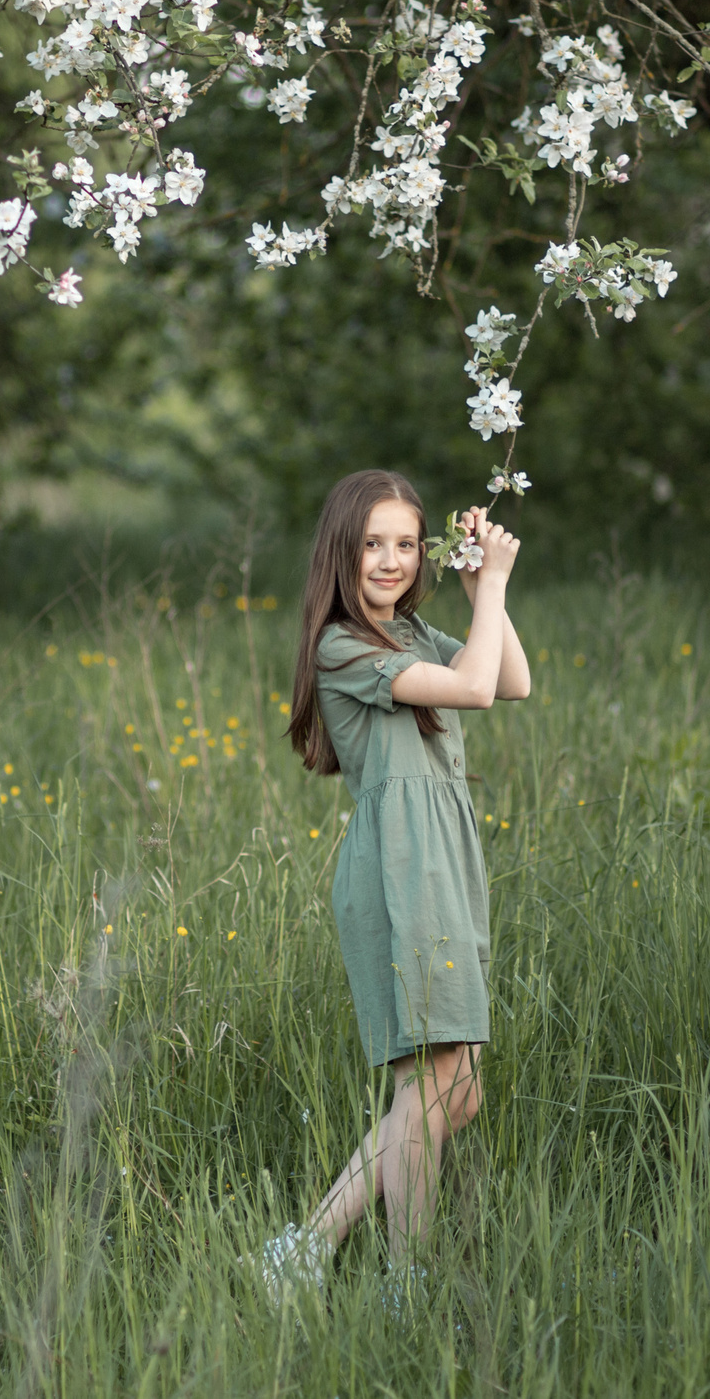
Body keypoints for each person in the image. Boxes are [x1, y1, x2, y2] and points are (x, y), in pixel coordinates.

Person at [252, 468, 529, 1304]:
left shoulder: (407, 631)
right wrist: (498, 588)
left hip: (443, 857)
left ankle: (306, 1249)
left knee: (457, 1087)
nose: (390, 559)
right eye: (373, 543)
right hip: (402, 866)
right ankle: (398, 1276)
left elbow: (510, 678)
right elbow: (476, 688)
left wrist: (487, 591)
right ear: (343, 550)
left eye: (406, 544)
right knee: (434, 1083)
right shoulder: (343, 644)